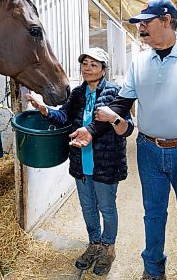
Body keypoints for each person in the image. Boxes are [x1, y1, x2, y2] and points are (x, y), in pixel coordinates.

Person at [72, 0, 177, 280]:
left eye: (146, 22)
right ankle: (152, 270)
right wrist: (91, 130)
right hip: (149, 150)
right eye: (138, 24)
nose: (141, 28)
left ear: (167, 20)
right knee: (153, 214)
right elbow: (121, 105)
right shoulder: (140, 61)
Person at [25, 47, 134, 276]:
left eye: (93, 64)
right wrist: (44, 109)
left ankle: (108, 248)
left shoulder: (116, 93)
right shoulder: (77, 93)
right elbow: (64, 117)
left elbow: (127, 128)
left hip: (106, 163)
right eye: (84, 63)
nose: (87, 68)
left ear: (104, 70)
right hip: (81, 162)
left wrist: (114, 118)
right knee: (87, 207)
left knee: (106, 207)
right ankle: (94, 244)